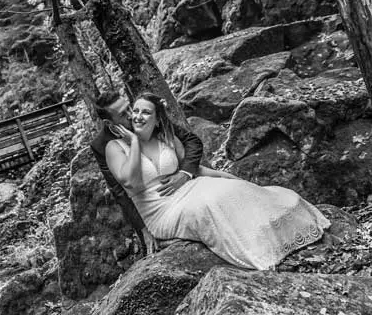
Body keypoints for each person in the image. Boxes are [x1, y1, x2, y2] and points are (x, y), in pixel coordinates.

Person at [105, 93, 330, 270]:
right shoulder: (114, 148)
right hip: (162, 210)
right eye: (132, 112)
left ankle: (280, 232)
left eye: (143, 112)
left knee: (233, 190)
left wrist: (232, 179)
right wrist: (134, 142)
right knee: (209, 207)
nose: (135, 116)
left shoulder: (165, 137)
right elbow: (131, 183)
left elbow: (196, 167)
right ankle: (258, 253)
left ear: (156, 119)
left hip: (190, 187)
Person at [90, 91, 205, 241]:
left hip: (185, 189)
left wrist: (185, 173)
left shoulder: (145, 117)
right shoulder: (102, 145)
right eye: (123, 114)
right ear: (109, 123)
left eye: (129, 108)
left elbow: (191, 141)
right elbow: (119, 190)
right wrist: (144, 229)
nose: (132, 115)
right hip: (154, 210)